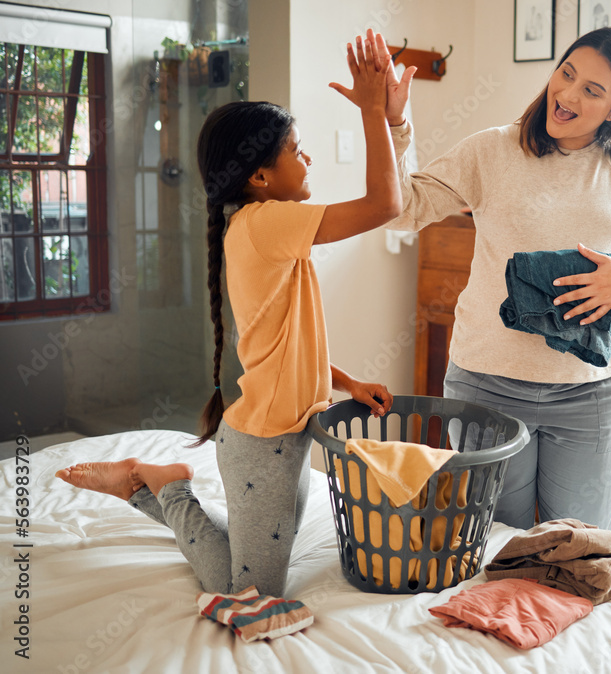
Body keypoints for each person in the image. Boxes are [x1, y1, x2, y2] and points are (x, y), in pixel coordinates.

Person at [55, 30, 401, 598]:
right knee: (249, 591)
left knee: (256, 559)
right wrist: (373, 113)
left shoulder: (262, 227)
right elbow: (385, 205)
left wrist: (347, 382)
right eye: (296, 149)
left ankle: (160, 485)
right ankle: (164, 487)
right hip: (262, 446)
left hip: (283, 439)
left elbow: (287, 343)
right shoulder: (267, 222)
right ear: (259, 177)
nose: (307, 156)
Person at [379, 27, 611, 531]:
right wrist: (393, 122)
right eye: (567, 74)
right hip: (488, 390)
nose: (567, 95)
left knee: (576, 558)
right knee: (493, 551)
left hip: (593, 395)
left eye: (592, 90)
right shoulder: (491, 151)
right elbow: (402, 210)